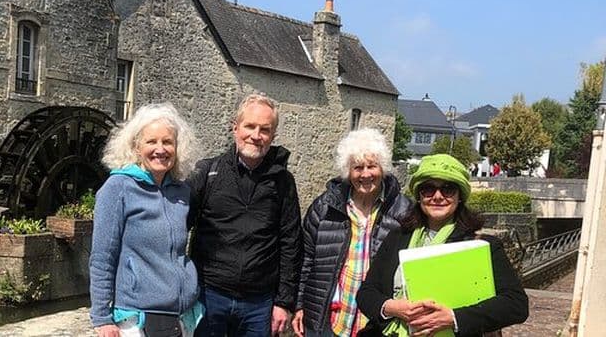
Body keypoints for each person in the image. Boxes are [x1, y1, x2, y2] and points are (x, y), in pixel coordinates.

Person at [356, 154, 528, 337]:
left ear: (460, 195)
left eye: (448, 189)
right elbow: (367, 292)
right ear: (419, 195)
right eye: (428, 189)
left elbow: (515, 304)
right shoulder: (398, 237)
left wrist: (453, 318)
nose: (437, 197)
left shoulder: (480, 244)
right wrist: (391, 307)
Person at [187, 94, 302, 336]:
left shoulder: (283, 181)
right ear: (235, 128)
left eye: (265, 129)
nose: (256, 135)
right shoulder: (208, 173)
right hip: (209, 295)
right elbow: (176, 229)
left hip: (258, 303)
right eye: (249, 126)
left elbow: (290, 243)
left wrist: (284, 302)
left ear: (273, 136)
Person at [90, 103, 203, 337]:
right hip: (138, 317)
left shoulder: (181, 192)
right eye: (151, 141)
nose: (160, 149)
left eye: (167, 142)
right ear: (136, 146)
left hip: (181, 315)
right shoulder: (118, 188)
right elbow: (102, 257)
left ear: (177, 148)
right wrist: (102, 317)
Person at [293, 128, 412, 337]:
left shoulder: (404, 211)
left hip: (377, 323)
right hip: (330, 319)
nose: (365, 174)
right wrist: (300, 305)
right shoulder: (324, 207)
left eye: (372, 166)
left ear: (382, 168)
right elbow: (306, 261)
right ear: (348, 171)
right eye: (358, 168)